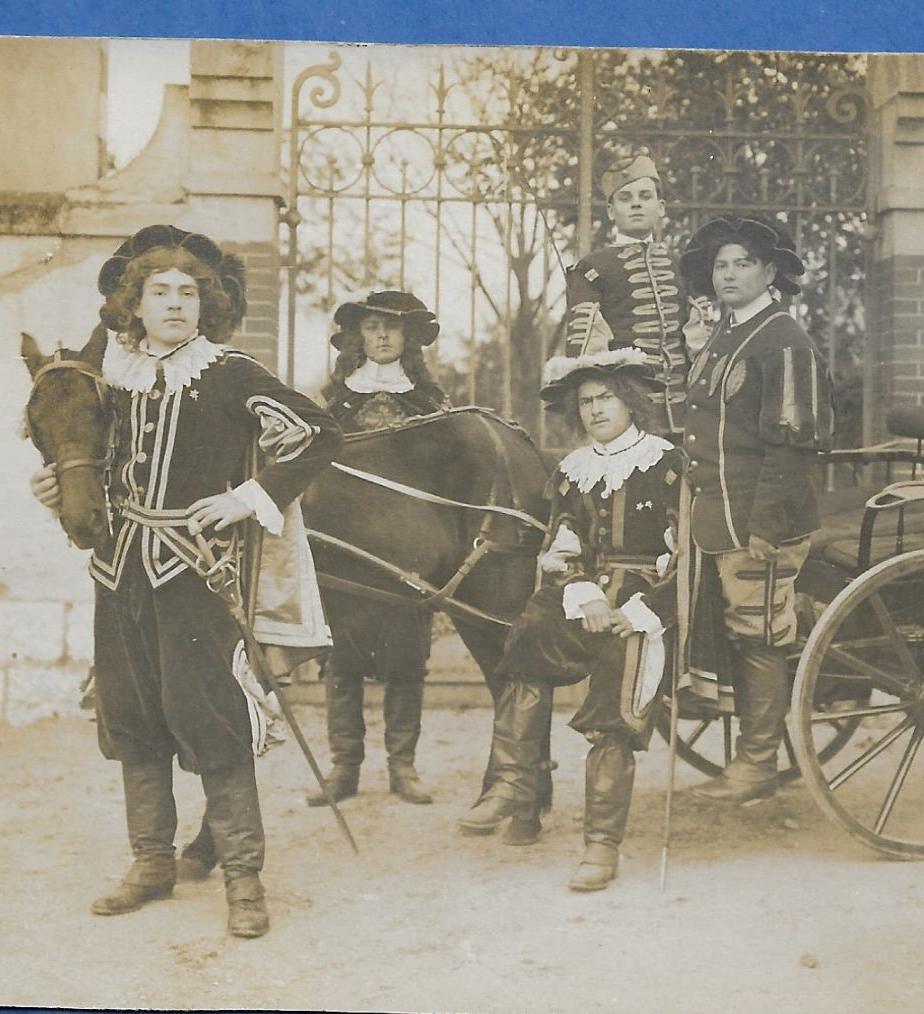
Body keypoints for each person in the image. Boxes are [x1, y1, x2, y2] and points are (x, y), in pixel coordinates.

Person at [31, 225, 342, 937]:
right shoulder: (111, 373)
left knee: (211, 719)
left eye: (188, 292)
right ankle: (151, 862)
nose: (174, 303)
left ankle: (242, 879)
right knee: (131, 716)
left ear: (208, 304)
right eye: (158, 292)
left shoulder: (229, 373)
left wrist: (248, 498)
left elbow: (321, 434)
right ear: (132, 305)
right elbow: (77, 440)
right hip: (119, 569)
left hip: (195, 575)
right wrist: (58, 486)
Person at [457, 349, 684, 891]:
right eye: (585, 401)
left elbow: (687, 558)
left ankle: (601, 846)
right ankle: (513, 782)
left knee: (614, 699)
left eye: (606, 397)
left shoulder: (667, 463)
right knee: (528, 637)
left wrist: (640, 611)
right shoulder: (571, 472)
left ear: (630, 400)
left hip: (646, 599)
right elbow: (561, 545)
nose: (594, 410)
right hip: (585, 593)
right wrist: (583, 595)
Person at [676, 216, 834, 805]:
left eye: (742, 263)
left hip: (759, 522)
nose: (728, 274)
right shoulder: (722, 337)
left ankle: (759, 763)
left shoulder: (784, 340)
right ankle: (751, 750)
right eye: (721, 265)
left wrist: (767, 526)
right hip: (717, 519)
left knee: (759, 635)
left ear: (770, 273)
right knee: (737, 634)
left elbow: (793, 443)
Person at [308, 291, 451, 808]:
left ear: (409, 338)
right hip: (345, 547)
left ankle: (402, 766)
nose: (383, 337)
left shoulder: (431, 404)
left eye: (392, 328)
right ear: (357, 337)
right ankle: (344, 767)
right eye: (372, 327)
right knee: (341, 664)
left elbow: (447, 480)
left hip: (405, 553)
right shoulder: (334, 404)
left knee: (405, 662)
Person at [562, 153, 708, 436]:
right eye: (625, 198)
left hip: (684, 414)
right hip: (625, 417)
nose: (637, 204)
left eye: (645, 196)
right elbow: (587, 355)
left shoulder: (684, 266)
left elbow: (702, 345)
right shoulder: (593, 268)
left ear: (661, 206)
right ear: (611, 211)